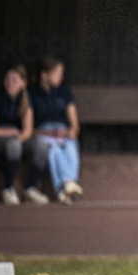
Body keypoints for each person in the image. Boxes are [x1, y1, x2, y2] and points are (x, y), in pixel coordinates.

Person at [0, 63, 51, 204]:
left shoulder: (25, 98)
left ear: (23, 83)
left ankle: (31, 188)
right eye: (7, 79)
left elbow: (27, 130)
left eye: (14, 80)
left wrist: (19, 139)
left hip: (15, 140)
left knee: (42, 145)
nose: (10, 83)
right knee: (14, 144)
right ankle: (8, 189)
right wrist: (12, 133)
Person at [29, 56, 83, 204]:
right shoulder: (33, 92)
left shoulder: (64, 91)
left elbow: (74, 123)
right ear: (44, 75)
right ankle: (68, 184)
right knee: (53, 150)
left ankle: (64, 188)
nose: (60, 77)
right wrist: (51, 133)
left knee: (70, 145)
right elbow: (29, 128)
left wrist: (71, 131)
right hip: (44, 132)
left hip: (63, 132)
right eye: (57, 73)